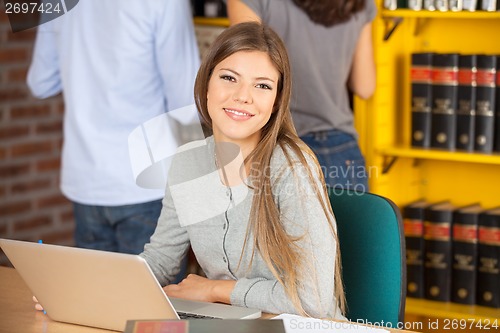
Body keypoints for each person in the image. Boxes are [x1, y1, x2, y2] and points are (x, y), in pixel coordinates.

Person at [139, 21, 346, 319]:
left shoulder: (290, 166)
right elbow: (161, 260)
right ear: (206, 83)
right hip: (233, 325)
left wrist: (214, 290)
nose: (242, 96)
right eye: (229, 78)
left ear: (276, 102)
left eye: (262, 85)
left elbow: (312, 300)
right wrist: (91, 287)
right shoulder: (189, 163)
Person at [26, 0, 200, 257]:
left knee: (97, 295)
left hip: (86, 181)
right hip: (148, 182)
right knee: (152, 297)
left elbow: (40, 82)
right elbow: (187, 101)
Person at [227, 0, 377, 192]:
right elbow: (365, 86)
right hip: (340, 147)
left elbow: (246, 70)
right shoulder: (361, 3)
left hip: (277, 142)